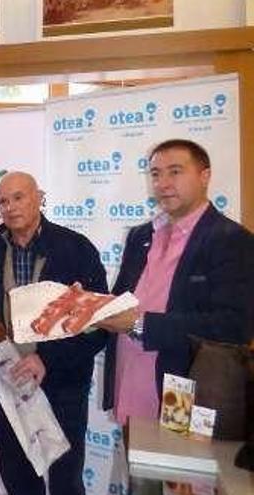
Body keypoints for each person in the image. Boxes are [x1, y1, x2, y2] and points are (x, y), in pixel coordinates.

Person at [0, 171, 107, 495]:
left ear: (39, 197)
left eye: (19, 197)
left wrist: (47, 360)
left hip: (62, 385)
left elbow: (98, 323)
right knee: (16, 475)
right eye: (2, 200)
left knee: (65, 480)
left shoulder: (75, 249)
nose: (11, 207)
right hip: (9, 382)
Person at [98, 139, 254, 425]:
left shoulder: (230, 240)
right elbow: (121, 300)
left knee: (172, 468)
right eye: (156, 174)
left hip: (182, 394)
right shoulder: (140, 236)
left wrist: (139, 324)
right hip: (129, 383)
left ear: (204, 176)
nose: (163, 183)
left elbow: (235, 326)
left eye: (175, 172)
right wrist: (88, 306)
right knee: (136, 467)